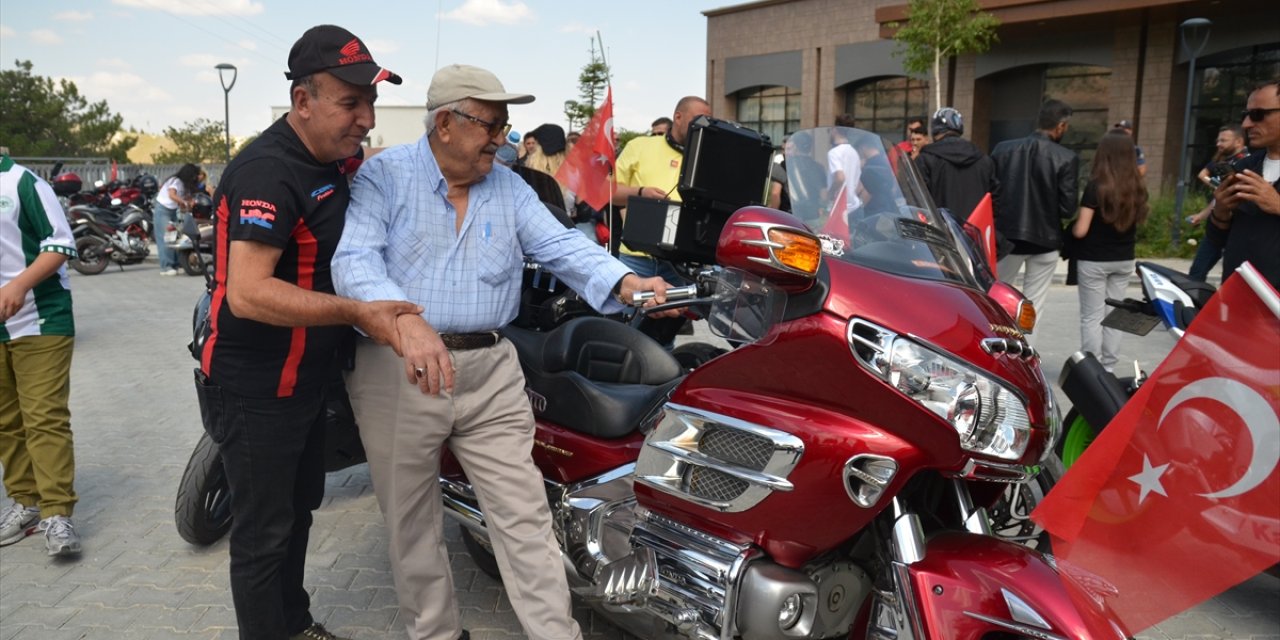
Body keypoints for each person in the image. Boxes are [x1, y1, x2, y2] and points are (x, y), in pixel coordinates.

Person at [331, 63, 677, 640]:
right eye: (490, 124)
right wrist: (402, 320)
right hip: (401, 369)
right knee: (412, 526)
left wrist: (624, 282)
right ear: (445, 123)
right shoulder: (384, 177)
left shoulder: (509, 186)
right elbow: (354, 261)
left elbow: (561, 244)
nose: (502, 136)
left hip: (491, 370)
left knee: (525, 517)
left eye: (504, 124)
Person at [195, 25, 419, 640]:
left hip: (308, 381)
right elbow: (248, 292)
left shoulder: (332, 159)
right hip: (258, 385)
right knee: (264, 533)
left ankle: (293, 625)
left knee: (296, 515)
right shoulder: (269, 172)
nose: (366, 119)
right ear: (303, 102)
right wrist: (357, 311)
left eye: (370, 102)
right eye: (351, 103)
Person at [0, 152, 81, 557]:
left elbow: (61, 245)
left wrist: (18, 286)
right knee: (7, 420)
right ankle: (25, 502)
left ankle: (56, 511)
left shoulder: (23, 183)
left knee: (43, 417)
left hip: (40, 318)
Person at [991, 99, 1079, 337]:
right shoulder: (1066, 157)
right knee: (1034, 305)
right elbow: (1068, 208)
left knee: (996, 301)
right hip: (1046, 239)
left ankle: (996, 348)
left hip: (1007, 238)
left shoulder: (1002, 150)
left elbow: (991, 194)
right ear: (1060, 126)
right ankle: (1027, 358)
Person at [1069, 130, 1148, 371]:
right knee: (1114, 316)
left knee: (1091, 317)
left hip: (1094, 260)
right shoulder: (1137, 188)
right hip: (1123, 259)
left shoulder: (1095, 188)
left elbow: (1081, 231)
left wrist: (1069, 229)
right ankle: (1110, 367)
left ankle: (1091, 369)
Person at [611, 95, 712, 280]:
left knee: (679, 310)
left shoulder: (707, 157)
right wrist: (641, 192)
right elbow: (609, 192)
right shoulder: (639, 146)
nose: (702, 126)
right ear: (678, 117)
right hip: (636, 257)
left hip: (683, 263)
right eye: (697, 120)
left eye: (707, 122)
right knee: (628, 309)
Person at [1208, 78, 1280, 290]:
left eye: (1257, 115)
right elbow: (1217, 240)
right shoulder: (1244, 166)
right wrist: (1220, 212)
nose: (1247, 124)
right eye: (1246, 115)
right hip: (1237, 298)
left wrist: (1277, 204)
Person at [914, 107, 998, 222]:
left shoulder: (925, 159)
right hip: (975, 233)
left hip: (940, 232)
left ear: (935, 131)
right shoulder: (984, 160)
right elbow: (995, 201)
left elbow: (916, 199)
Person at [1188, 124, 1249, 282]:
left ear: (1238, 142)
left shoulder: (1249, 162)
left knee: (1233, 277)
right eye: (1218, 140)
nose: (1218, 143)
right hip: (1219, 224)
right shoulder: (1223, 161)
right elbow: (1218, 196)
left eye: (1223, 140)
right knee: (1197, 272)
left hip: (1238, 226)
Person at [153, 163, 200, 275]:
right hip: (163, 209)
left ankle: (175, 264)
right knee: (166, 238)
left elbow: (184, 199)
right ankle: (166, 267)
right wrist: (183, 202)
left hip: (172, 210)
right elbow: (172, 195)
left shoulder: (185, 185)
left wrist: (189, 204)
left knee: (174, 237)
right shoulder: (176, 181)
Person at [827, 114, 864, 222]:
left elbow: (840, 178)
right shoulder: (854, 153)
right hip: (855, 208)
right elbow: (860, 185)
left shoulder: (834, 153)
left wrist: (829, 195)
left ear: (835, 130)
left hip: (840, 209)